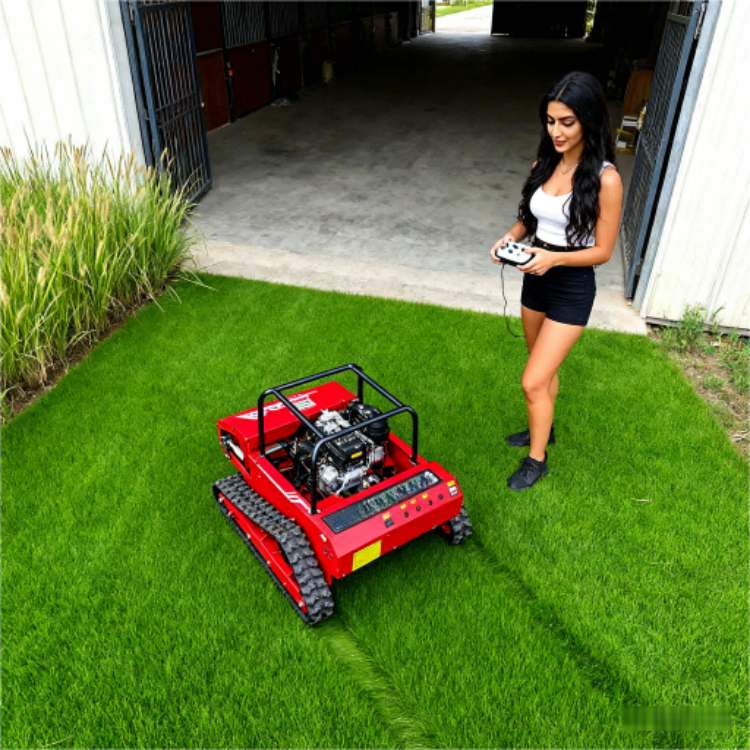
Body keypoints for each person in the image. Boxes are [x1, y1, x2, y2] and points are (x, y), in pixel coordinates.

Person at [489, 71, 623, 491]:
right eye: (550, 121)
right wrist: (509, 238)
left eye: (567, 122)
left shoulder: (605, 179)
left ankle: (537, 460)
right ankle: (542, 427)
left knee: (532, 380)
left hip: (571, 285)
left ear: (588, 120)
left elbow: (603, 251)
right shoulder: (543, 164)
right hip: (535, 276)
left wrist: (553, 259)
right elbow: (529, 219)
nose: (556, 132)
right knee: (541, 371)